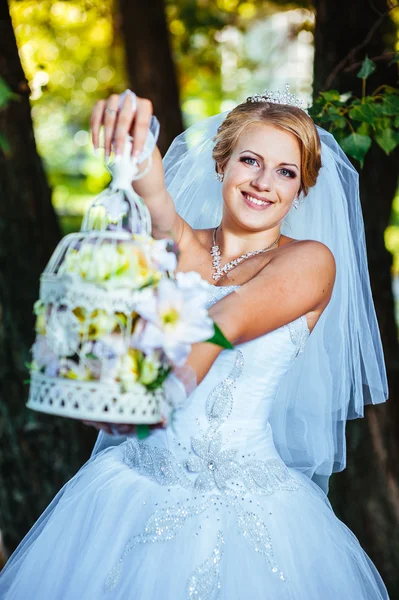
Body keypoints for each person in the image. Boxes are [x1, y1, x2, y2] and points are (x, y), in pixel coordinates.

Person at [0, 87, 389, 599]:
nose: (263, 183)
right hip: (128, 492)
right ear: (221, 163)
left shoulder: (312, 261)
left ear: (301, 188)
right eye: (250, 161)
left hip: (251, 513)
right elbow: (153, 197)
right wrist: (137, 130)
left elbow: (224, 323)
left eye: (285, 171)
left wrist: (157, 394)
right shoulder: (180, 245)